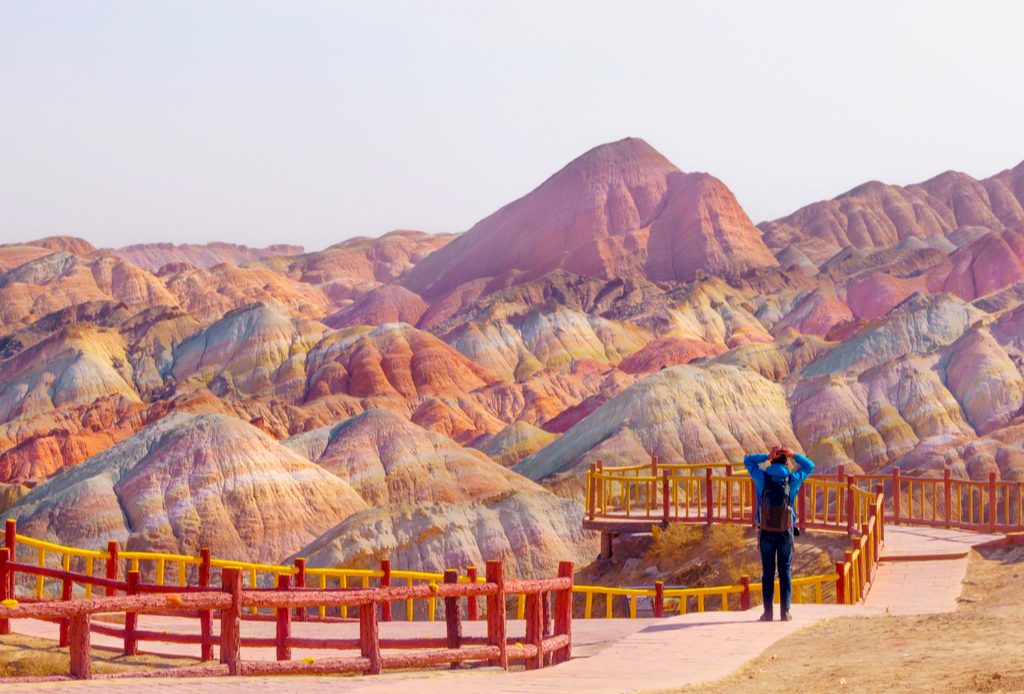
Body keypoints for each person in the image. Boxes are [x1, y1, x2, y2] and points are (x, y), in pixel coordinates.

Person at [744, 445, 815, 622]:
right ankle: (785, 612)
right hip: (785, 532)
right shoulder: (792, 479)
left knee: (767, 572)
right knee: (785, 570)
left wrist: (765, 456)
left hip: (766, 531)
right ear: (786, 462)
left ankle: (768, 613)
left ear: (772, 460)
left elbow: (748, 460)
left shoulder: (761, 478)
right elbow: (810, 466)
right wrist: (795, 455)